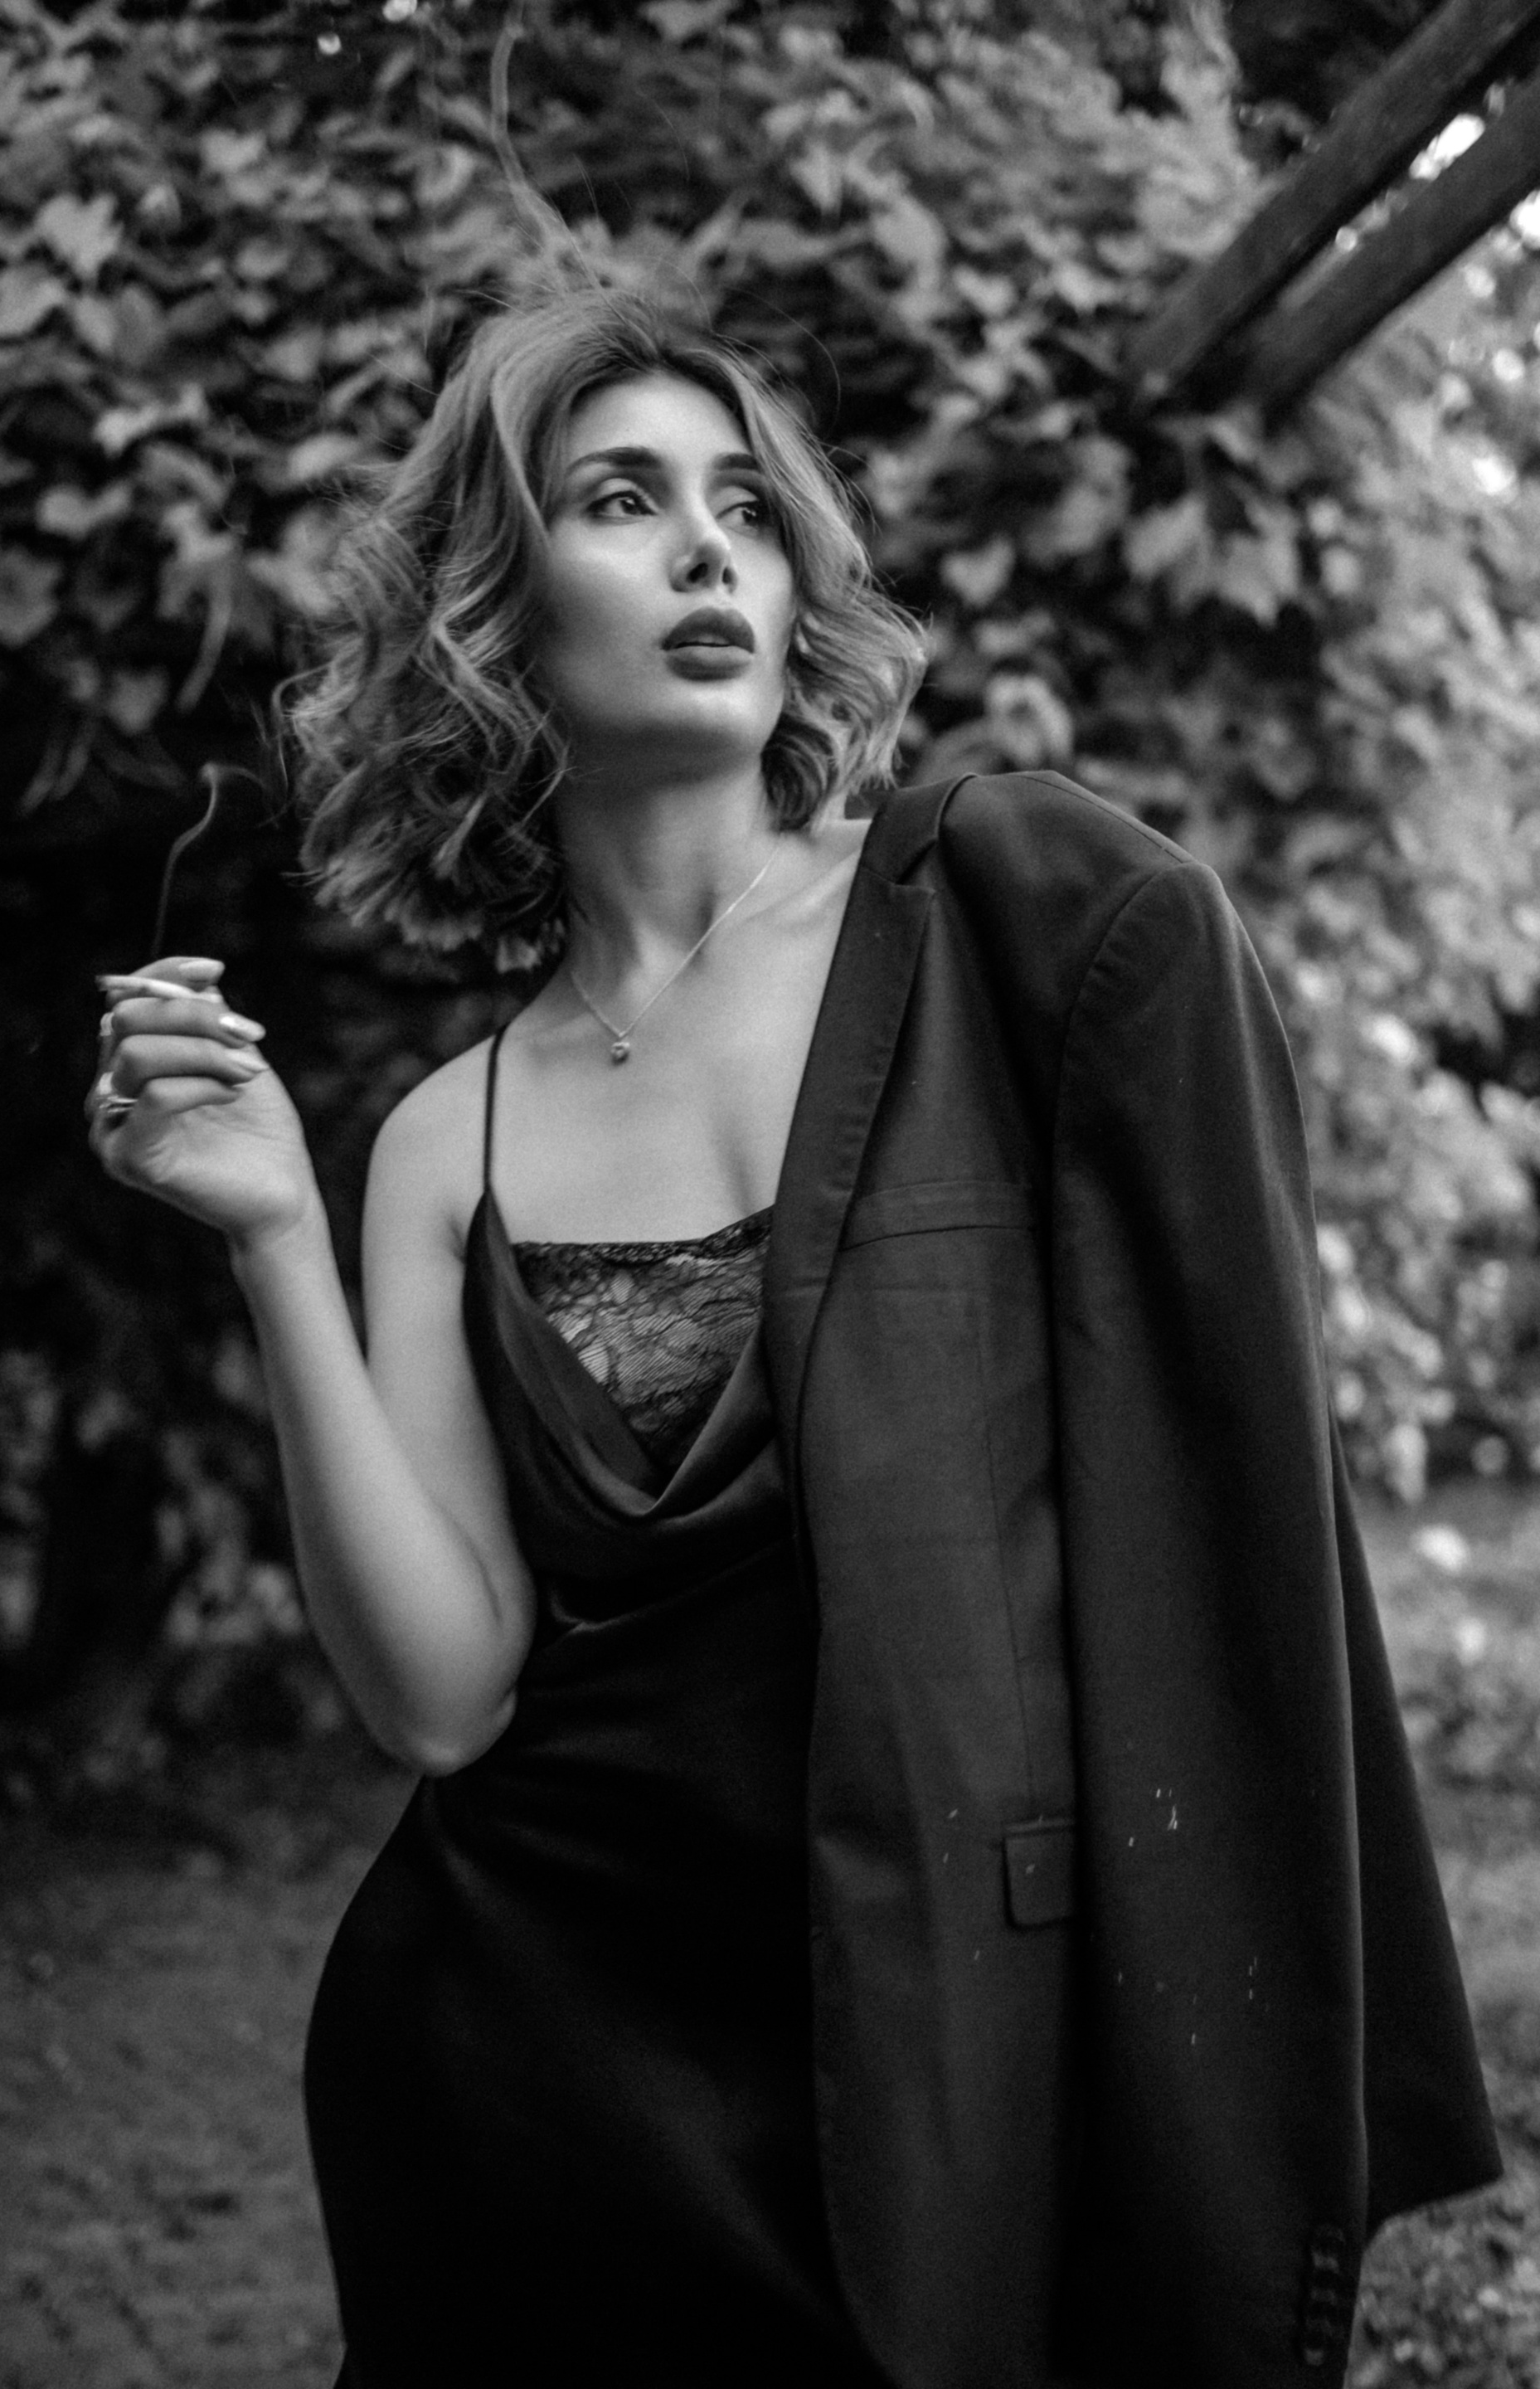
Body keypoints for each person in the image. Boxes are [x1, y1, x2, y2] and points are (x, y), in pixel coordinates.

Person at [88, 289, 1497, 2389]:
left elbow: (1233, 1536)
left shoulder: (1028, 917)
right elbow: (445, 1700)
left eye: (747, 507)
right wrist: (276, 1232)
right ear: (494, 617)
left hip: (959, 2060)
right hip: (536, 2090)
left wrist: (1248, 2070)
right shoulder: (444, 1139)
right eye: (620, 500)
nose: (706, 550)